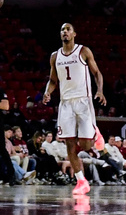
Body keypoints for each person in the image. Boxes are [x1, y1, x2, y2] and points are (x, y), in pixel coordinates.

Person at [43, 22, 106, 195]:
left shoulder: (83, 51)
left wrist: (100, 90)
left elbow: (97, 73)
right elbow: (53, 80)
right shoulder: (55, 56)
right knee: (69, 145)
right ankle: (81, 181)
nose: (65, 32)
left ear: (74, 34)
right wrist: (47, 92)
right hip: (65, 104)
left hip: (83, 101)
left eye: (68, 29)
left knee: (86, 146)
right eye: (62, 29)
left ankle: (95, 131)